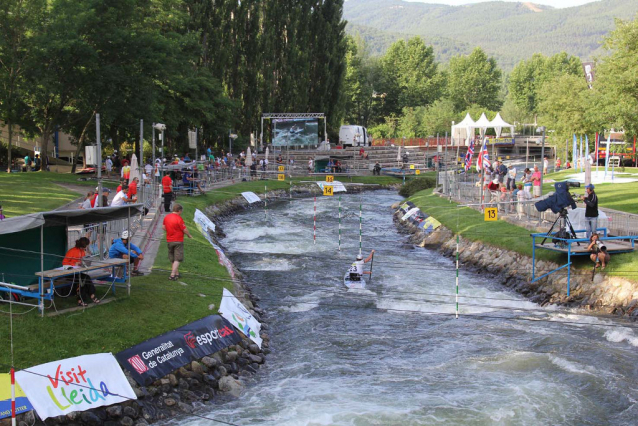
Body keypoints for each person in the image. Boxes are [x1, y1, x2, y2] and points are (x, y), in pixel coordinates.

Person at [62, 237, 100, 306]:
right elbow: (64, 263)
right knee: (82, 279)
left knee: (85, 278)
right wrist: (74, 264)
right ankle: (83, 299)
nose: (84, 249)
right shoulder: (72, 251)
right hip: (70, 273)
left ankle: (91, 295)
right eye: (83, 248)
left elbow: (82, 260)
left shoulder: (82, 251)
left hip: (78, 272)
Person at [163, 203, 193, 281]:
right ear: (179, 210)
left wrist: (170, 231)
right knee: (178, 258)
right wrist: (189, 235)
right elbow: (184, 229)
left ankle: (177, 273)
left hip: (169, 240)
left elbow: (163, 227)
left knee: (172, 258)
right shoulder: (179, 219)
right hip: (178, 240)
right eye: (181, 211)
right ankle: (172, 275)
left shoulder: (166, 217)